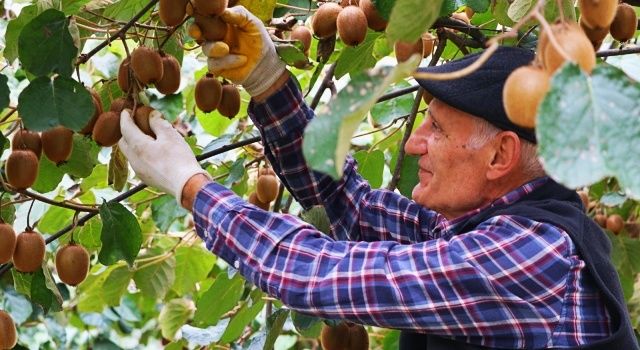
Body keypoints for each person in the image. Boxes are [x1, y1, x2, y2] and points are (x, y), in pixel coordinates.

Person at [117, 6, 638, 350]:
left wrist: (191, 185)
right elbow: (350, 203)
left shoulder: (532, 254)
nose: (415, 143)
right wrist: (268, 81)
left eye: (435, 128)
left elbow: (318, 275)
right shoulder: (481, 230)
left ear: (501, 155)